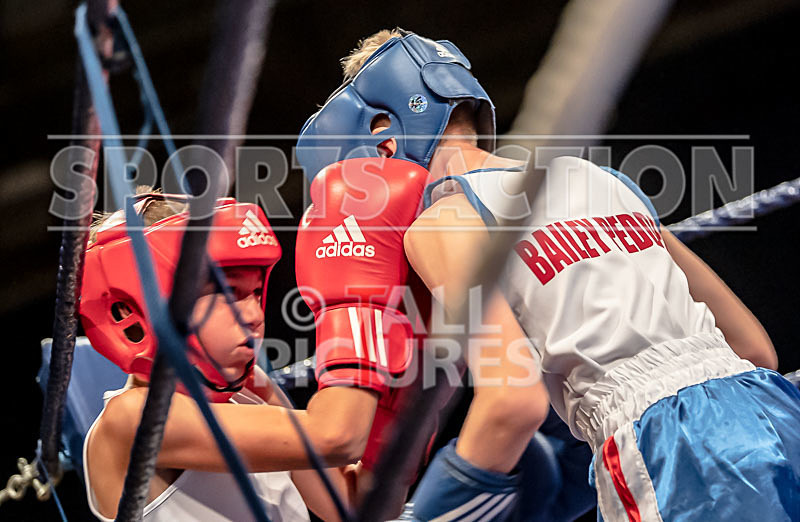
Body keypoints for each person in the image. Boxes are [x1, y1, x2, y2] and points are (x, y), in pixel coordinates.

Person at [294, 29, 800, 521]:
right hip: (775, 412)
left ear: (381, 143)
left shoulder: (443, 222)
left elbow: (512, 401)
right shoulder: (598, 177)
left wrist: (445, 506)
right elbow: (754, 350)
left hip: (672, 456)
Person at [80, 192, 355, 521]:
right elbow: (334, 437)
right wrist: (355, 305)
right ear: (137, 309)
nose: (254, 314)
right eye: (227, 293)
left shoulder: (252, 390)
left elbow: (351, 506)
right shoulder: (133, 417)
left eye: (255, 292)